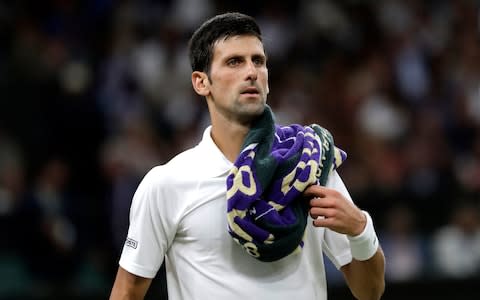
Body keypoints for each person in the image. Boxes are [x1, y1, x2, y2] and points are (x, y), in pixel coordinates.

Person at [109, 12, 385, 300]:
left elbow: (370, 291)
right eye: (234, 62)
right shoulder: (167, 184)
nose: (251, 71)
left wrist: (361, 229)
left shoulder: (309, 165)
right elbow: (127, 292)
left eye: (259, 61)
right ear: (201, 82)